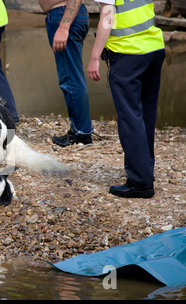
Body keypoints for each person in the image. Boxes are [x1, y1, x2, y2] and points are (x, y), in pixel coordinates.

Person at [87, 0, 165, 198]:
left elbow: (107, 16)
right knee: (146, 116)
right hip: (154, 48)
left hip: (127, 53)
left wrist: (94, 57)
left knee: (130, 118)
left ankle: (140, 183)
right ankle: (145, 173)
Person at [41, 0, 94, 147]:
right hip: (64, 16)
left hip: (64, 16)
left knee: (71, 79)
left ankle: (81, 133)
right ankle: (80, 129)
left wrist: (64, 26)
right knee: (71, 77)